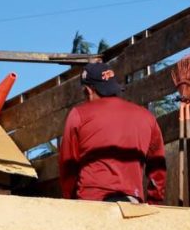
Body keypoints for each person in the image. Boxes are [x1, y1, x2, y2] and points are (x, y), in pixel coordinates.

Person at [59, 61, 167, 204]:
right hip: (131, 204)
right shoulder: (147, 118)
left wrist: (71, 203)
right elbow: (158, 169)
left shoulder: (78, 115)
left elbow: (68, 167)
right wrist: (153, 203)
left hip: (91, 203)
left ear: (89, 90)